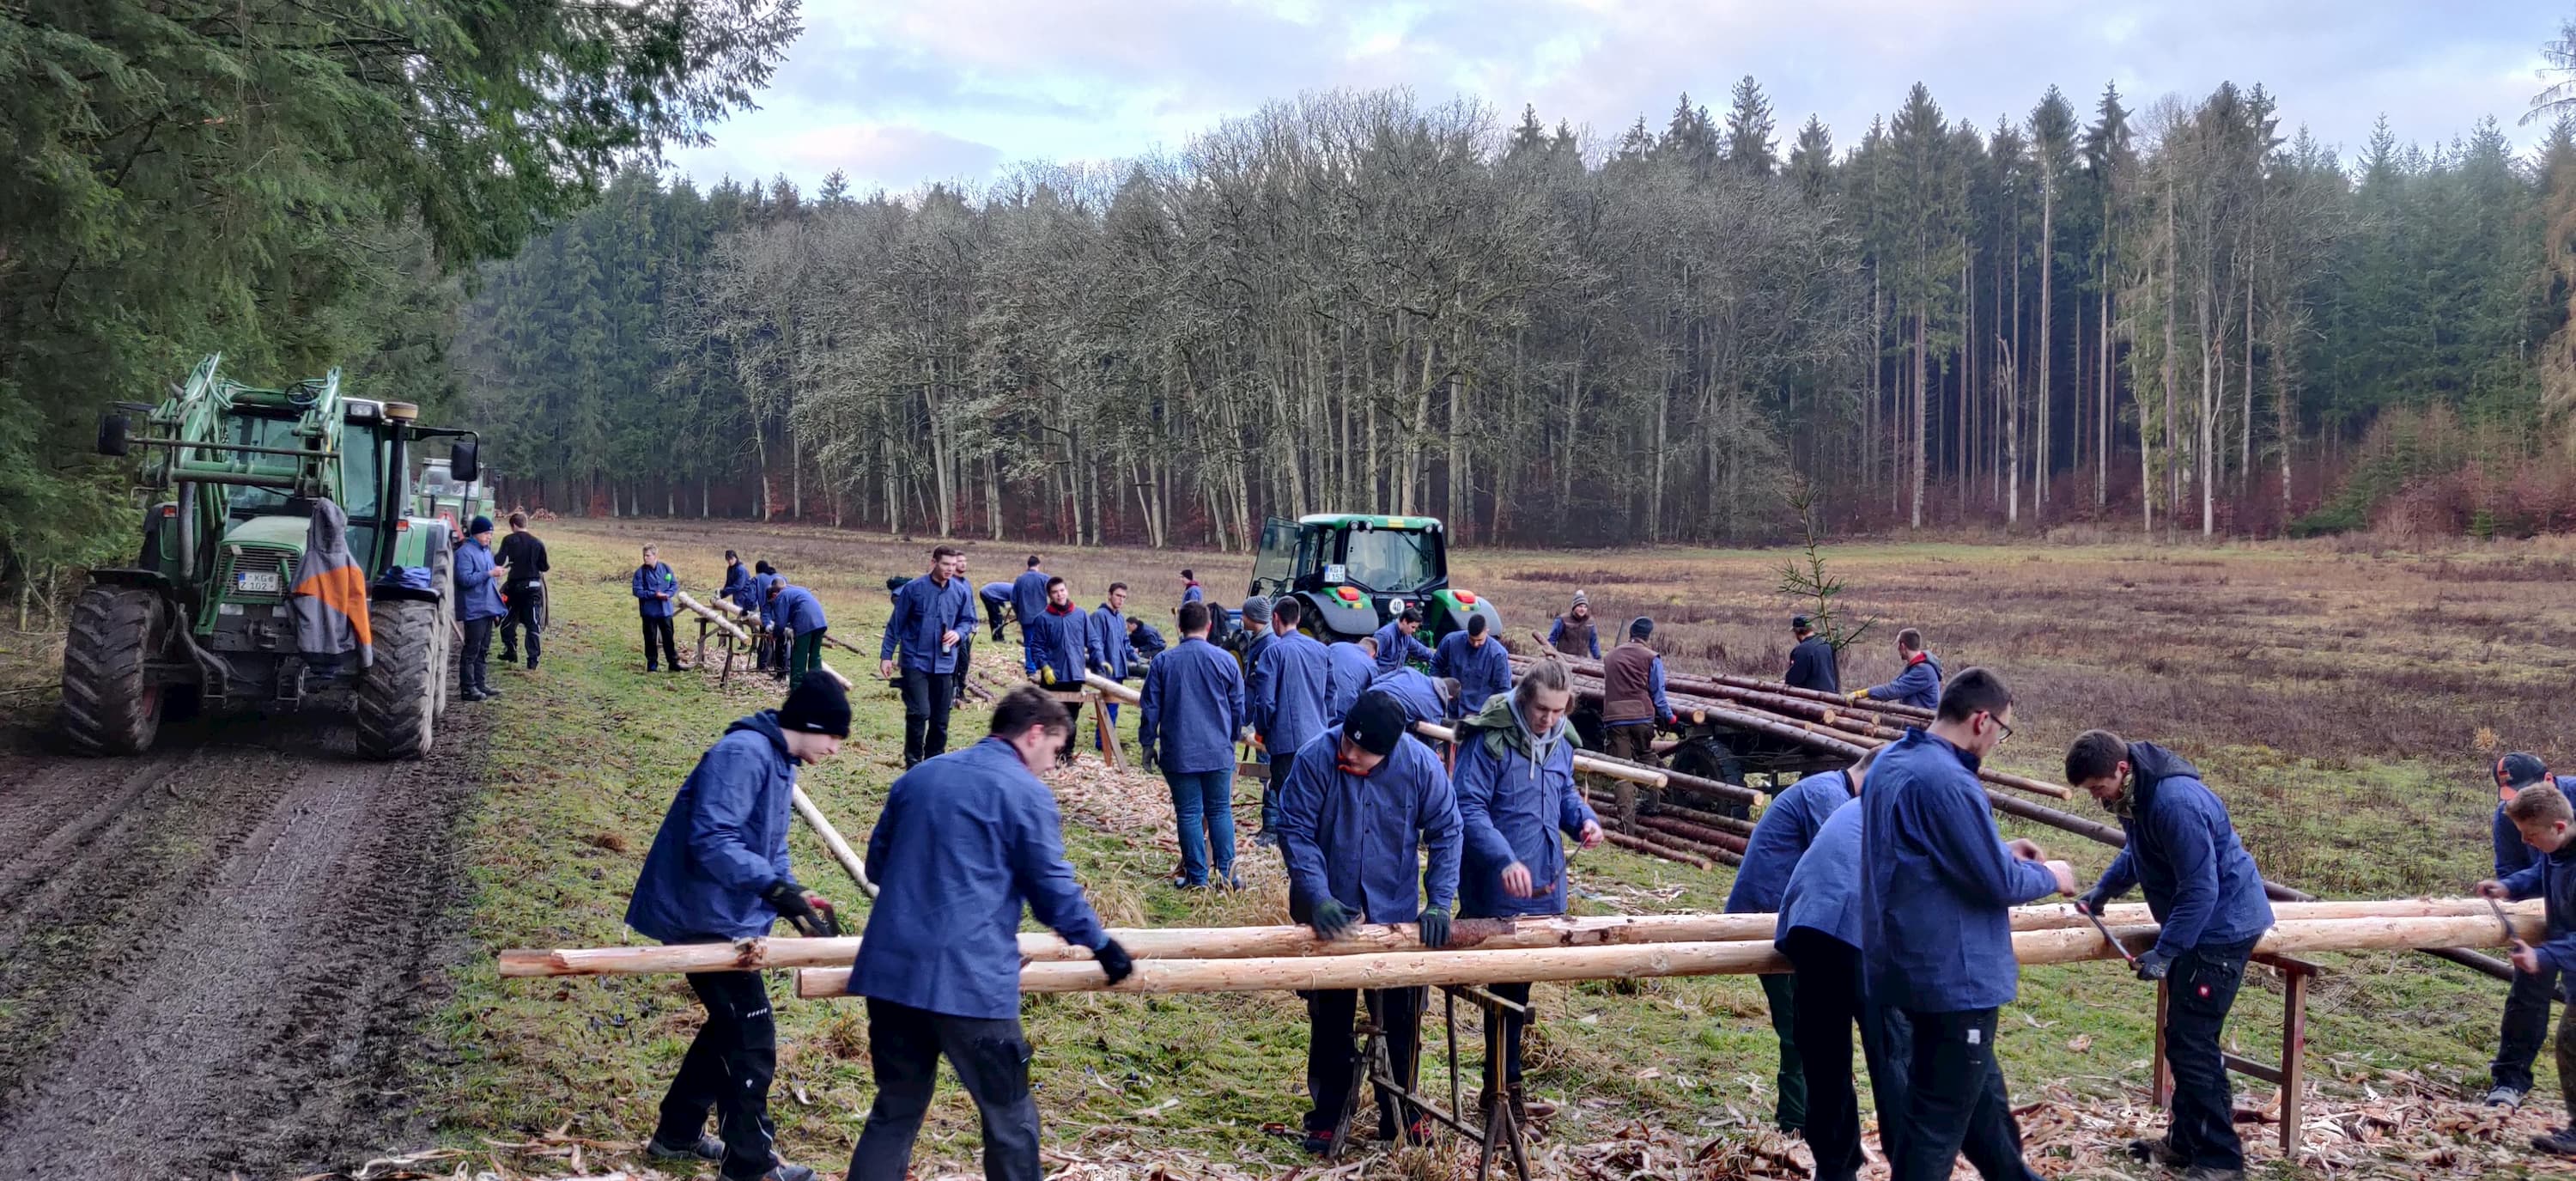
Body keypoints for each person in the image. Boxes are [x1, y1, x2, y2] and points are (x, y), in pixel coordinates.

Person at [844, 685, 1137, 1181]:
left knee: (896, 1109)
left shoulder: (921, 776)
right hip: (969, 982)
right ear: (1034, 733)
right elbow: (1052, 891)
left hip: (891, 974)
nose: (1052, 765)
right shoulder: (1024, 793)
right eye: (1055, 751)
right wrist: (1102, 944)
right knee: (1009, 1116)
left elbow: (876, 867)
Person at [626, 671, 853, 1181]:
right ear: (811, 724)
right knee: (751, 1034)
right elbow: (713, 840)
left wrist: (793, 894)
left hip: (726, 915)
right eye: (835, 737)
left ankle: (676, 1134)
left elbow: (769, 848)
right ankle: (750, 1166)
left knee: (729, 1026)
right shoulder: (744, 754)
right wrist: (772, 889)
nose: (837, 749)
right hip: (699, 916)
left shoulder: (779, 762)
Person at [1861, 667, 2072, 1181]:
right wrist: (2049, 873)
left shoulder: (1893, 762)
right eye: (2002, 728)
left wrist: (1999, 851)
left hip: (1906, 967)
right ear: (1982, 720)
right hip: (1954, 979)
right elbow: (1997, 884)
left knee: (1981, 1109)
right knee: (1934, 1127)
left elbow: (1922, 856)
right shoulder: (1949, 782)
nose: (1998, 739)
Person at [2067, 730, 2275, 1181]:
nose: (2095, 797)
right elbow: (2139, 853)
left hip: (2221, 930)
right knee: (2184, 1038)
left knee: (2193, 1042)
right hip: (2201, 925)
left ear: (2121, 769)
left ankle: (2221, 1160)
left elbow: (2201, 889)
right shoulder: (2135, 796)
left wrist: (2166, 950)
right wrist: (2102, 892)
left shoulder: (2175, 803)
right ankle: (2186, 1142)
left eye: (2097, 788)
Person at [1275, 691, 1462, 1154]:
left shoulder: (1420, 767)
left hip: (1394, 915)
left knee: (1402, 1017)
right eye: (1348, 742)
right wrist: (1317, 898)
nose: (1350, 753)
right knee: (1331, 1016)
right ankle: (1329, 1111)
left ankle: (1401, 1108)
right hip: (1330, 916)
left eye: (1362, 751)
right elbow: (1295, 829)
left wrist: (1439, 902)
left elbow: (1447, 830)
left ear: (1391, 749)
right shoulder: (1315, 758)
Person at [1452, 657, 1601, 1122]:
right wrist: (1502, 859)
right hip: (1495, 887)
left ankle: (1505, 1088)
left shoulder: (1560, 744)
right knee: (1504, 988)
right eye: (1542, 709)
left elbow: (1563, 797)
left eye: (1559, 711)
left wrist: (1583, 821)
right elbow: (1468, 808)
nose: (1550, 719)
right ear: (1523, 698)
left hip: (1543, 882)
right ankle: (1500, 1091)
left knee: (1520, 986)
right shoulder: (1490, 740)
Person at [1774, 748, 1908, 1181]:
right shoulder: (1917, 810)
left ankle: (1836, 1170)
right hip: (1858, 934)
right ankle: (1912, 1165)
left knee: (1825, 1060)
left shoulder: (1852, 806)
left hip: (1808, 928)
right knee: (1893, 1057)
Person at [1727, 757, 1875, 1135]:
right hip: (1769, 918)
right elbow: (1852, 865)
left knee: (1811, 1025)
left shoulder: (1831, 791)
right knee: (1800, 1029)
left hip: (1793, 917)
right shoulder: (1828, 798)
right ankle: (1797, 1127)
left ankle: (1810, 1120)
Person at [2477, 784, 2576, 1160]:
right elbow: (2540, 873)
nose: (2525, 842)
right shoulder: (2560, 850)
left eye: (2531, 835)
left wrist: (2544, 955)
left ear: (2558, 826)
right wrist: (2507, 886)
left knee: (2571, 1045)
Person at [1139, 601, 1247, 887]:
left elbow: (1150, 707)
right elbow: (1238, 706)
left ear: (1179, 627)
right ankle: (1228, 876)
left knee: (1188, 813)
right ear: (1209, 626)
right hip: (1218, 752)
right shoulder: (1226, 661)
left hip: (1179, 752)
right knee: (1220, 810)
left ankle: (1197, 879)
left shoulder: (1163, 661)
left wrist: (1148, 743)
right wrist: (1232, 737)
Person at [2488, 752, 2573, 1107]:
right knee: (2528, 994)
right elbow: (2526, 870)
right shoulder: (2511, 817)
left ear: (2550, 780)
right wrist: (2510, 888)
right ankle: (2510, 1080)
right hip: (2552, 913)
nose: (2524, 839)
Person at [879, 545, 979, 767]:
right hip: (915, 660)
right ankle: (913, 764)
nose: (950, 569)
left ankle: (933, 766)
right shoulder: (913, 589)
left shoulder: (960, 591)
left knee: (940, 719)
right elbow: (896, 624)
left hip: (945, 663)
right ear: (933, 563)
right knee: (919, 713)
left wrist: (958, 633)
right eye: (945, 564)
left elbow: (968, 620)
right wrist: (886, 656)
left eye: (953, 565)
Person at [1251, 597, 1333, 847]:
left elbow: (1265, 702)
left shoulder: (1273, 652)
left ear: (1275, 618)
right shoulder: (1321, 650)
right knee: (1314, 798)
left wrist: (1262, 731)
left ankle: (1293, 850)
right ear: (1298, 618)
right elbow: (1332, 695)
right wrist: (1324, 725)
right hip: (1318, 738)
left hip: (1286, 741)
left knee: (1288, 800)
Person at [1026, 576, 1091, 762]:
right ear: (1050, 596)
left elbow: (1092, 640)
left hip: (1074, 676)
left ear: (1066, 591)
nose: (1059, 595)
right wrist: (1044, 667)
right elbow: (1036, 647)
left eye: (1062, 590)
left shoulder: (1080, 615)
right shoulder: (1042, 619)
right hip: (1053, 677)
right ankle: (1046, 755)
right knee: (1049, 717)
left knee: (1070, 719)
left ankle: (1066, 755)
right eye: (1055, 592)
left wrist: (1100, 659)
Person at [1599, 617, 1674, 764]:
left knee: (1620, 768)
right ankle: (1659, 786)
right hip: (1642, 716)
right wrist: (1671, 718)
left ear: (1631, 633)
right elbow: (1658, 695)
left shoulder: (1609, 656)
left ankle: (1626, 785)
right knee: (1646, 756)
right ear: (1648, 636)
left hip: (1615, 716)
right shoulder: (1651, 657)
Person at [453, 515, 507, 701]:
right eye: (486, 533)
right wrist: (489, 573)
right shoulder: (464, 553)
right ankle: (468, 688)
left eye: (491, 534)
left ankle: (480, 684)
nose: (489, 537)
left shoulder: (486, 552)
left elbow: (490, 581)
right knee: (472, 649)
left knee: (484, 649)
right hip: (474, 608)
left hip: (487, 607)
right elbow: (465, 580)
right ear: (476, 533)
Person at [1085, 582, 1138, 750]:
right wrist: (1101, 666)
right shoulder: (1099, 616)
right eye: (1118, 596)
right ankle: (1102, 742)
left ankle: (1108, 739)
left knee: (1114, 705)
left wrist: (1136, 658)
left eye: (1124, 597)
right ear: (1109, 595)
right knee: (1107, 706)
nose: (1121, 600)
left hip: (1120, 669)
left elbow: (1125, 642)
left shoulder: (1120, 618)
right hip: (1106, 670)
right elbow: (1096, 643)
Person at [495, 512, 550, 670]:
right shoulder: (537, 543)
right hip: (533, 588)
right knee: (533, 624)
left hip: (514, 588)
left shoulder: (509, 540)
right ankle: (533, 660)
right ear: (526, 524)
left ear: (513, 526)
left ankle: (510, 649)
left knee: (508, 619)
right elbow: (544, 566)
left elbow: (499, 560)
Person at [1433, 613, 1511, 714]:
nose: (1475, 644)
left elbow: (1503, 689)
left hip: (1478, 712)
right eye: (1472, 639)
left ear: (1487, 631)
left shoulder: (1498, 654)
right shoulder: (1451, 642)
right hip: (1449, 707)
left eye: (1479, 640)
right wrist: (1438, 688)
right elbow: (1436, 665)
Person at [1852, 628, 1941, 711]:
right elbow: (1895, 684)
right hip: (1915, 722)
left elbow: (1894, 689)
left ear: (1903, 646)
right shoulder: (1915, 666)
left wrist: (1864, 693)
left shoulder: (1924, 670)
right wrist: (1871, 697)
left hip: (1923, 725)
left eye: (1898, 646)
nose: (1898, 650)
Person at [632, 544, 681, 673]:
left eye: (648, 555)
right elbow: (637, 591)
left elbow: (674, 584)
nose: (645, 558)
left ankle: (673, 662)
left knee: (669, 637)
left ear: (655, 556)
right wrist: (654, 594)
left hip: (665, 610)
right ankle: (652, 664)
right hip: (649, 611)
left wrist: (668, 594)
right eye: (644, 555)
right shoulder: (640, 573)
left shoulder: (666, 568)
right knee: (650, 638)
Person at [768, 580, 829, 683]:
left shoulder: (781, 596)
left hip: (804, 624)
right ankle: (817, 686)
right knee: (815, 656)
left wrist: (774, 634)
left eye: (771, 602)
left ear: (774, 595)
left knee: (799, 657)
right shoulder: (797, 589)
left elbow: (781, 622)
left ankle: (797, 688)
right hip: (821, 622)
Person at [1368, 665, 1455, 733]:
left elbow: (1377, 681)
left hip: (1366, 699)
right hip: (1380, 719)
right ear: (1450, 697)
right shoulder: (1436, 709)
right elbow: (1430, 734)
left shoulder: (1410, 671)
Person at [1011, 556, 1050, 673]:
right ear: (1038, 565)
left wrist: (1019, 613)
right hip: (1043, 617)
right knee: (1044, 642)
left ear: (1027, 565)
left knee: (1029, 643)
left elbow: (1013, 600)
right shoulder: (1045, 578)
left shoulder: (1020, 579)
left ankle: (1031, 668)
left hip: (1026, 617)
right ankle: (1043, 665)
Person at [1784, 615, 1839, 696]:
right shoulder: (1827, 645)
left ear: (1797, 632)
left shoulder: (1801, 650)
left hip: (1811, 700)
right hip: (1831, 696)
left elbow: (1794, 680)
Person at [1371, 606, 1436, 673]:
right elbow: (1370, 661)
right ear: (1404, 621)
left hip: (1395, 677)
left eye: (1415, 628)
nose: (1414, 631)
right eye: (1413, 627)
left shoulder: (1407, 636)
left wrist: (1436, 658)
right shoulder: (1385, 636)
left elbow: (1420, 650)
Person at [1325, 635, 1376, 719]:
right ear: (1373, 654)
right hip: (1344, 707)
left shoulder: (1337, 646)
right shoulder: (1372, 665)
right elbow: (1372, 693)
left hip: (1321, 697)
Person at [1546, 591, 1600, 660]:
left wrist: (1598, 658)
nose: (1582, 609)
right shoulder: (1562, 620)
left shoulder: (1590, 622)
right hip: (1563, 660)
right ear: (1574, 607)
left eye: (1585, 607)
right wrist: (1550, 654)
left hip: (1582, 661)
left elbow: (1594, 643)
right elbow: (1552, 638)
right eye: (1580, 606)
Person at [979, 579, 1016, 643]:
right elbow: (1016, 604)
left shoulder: (1015, 589)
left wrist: (1004, 606)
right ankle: (998, 639)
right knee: (997, 617)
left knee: (995, 616)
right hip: (987, 594)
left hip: (987, 592)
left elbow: (999, 596)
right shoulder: (1016, 591)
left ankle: (996, 637)